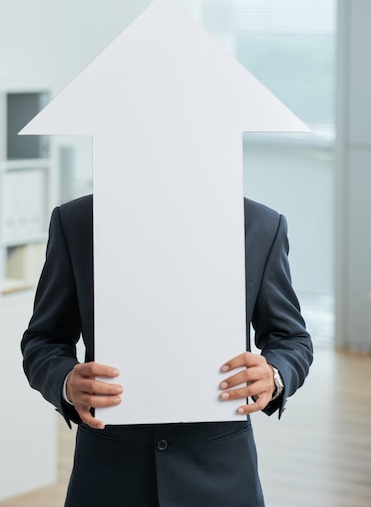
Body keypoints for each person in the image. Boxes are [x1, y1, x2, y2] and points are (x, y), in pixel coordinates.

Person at [21, 194, 313, 507]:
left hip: (219, 476)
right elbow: (43, 339)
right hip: (108, 476)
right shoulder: (77, 221)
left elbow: (292, 337)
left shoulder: (259, 224)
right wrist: (65, 381)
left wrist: (274, 374)